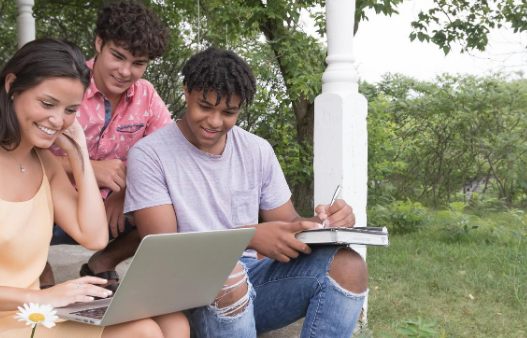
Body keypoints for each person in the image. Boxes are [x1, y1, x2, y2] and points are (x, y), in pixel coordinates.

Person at [0, 38, 188, 338]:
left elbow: (94, 237)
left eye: (70, 110)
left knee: (173, 324)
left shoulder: (45, 164)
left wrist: (78, 151)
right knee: (143, 332)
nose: (57, 120)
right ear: (12, 86)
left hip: (29, 315)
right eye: (47, 103)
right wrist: (40, 297)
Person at [123, 47, 369, 338]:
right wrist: (249, 236)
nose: (215, 121)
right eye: (205, 106)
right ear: (187, 91)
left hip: (252, 283)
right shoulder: (150, 154)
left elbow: (287, 222)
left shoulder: (257, 150)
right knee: (229, 277)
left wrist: (324, 224)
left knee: (350, 265)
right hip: (185, 294)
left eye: (229, 112)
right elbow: (164, 252)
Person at [44, 0, 173, 292]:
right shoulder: (64, 82)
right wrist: (90, 170)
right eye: (118, 56)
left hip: (115, 208)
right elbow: (24, 151)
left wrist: (125, 189)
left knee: (170, 209)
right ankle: (39, 271)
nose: (126, 71)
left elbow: (165, 154)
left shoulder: (147, 96)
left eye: (138, 63)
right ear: (99, 42)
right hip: (54, 200)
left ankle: (103, 262)